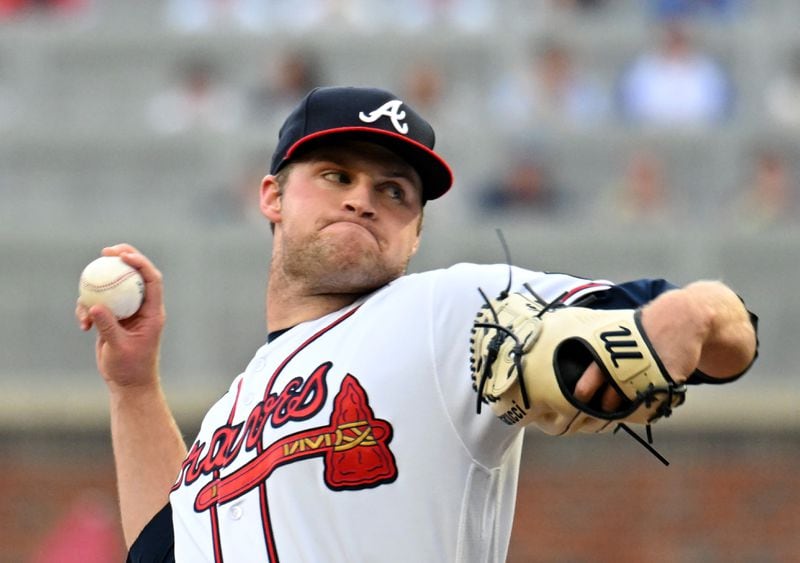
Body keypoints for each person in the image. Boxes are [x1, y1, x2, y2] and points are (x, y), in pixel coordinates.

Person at [76, 86, 758, 562]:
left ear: (417, 232)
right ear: (272, 196)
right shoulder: (234, 409)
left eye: (393, 190)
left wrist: (685, 318)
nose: (362, 200)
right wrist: (134, 388)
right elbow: (162, 552)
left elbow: (721, 327)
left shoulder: (448, 313)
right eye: (336, 174)